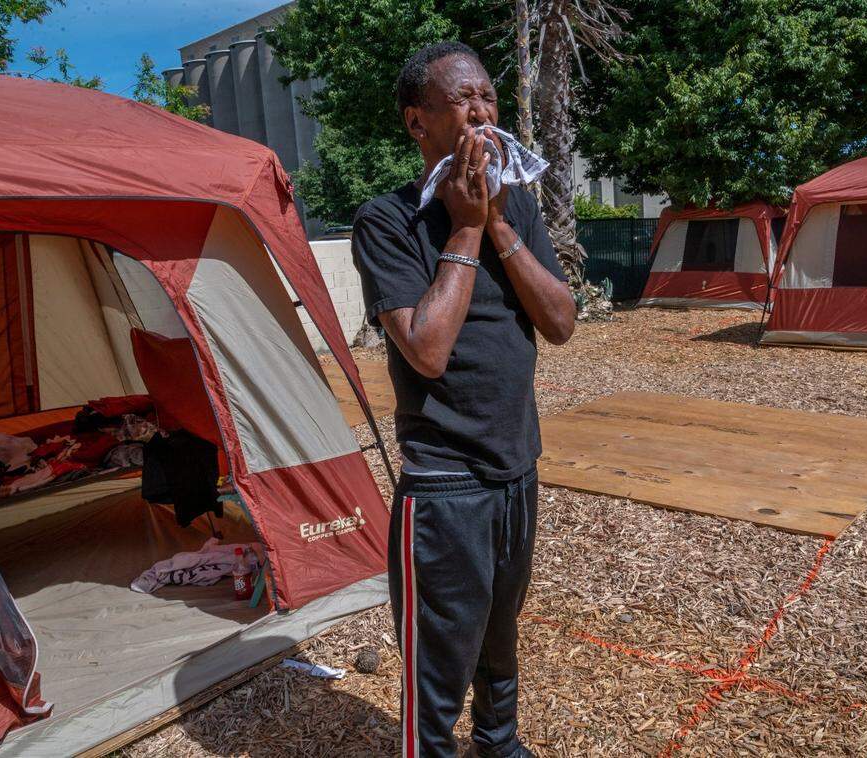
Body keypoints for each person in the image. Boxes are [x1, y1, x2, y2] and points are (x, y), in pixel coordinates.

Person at [351, 40, 576, 758]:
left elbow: (562, 322)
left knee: (500, 631)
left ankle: (499, 743)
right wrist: (468, 226)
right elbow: (426, 349)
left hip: (516, 467)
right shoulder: (387, 222)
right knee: (439, 658)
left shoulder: (518, 209)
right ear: (419, 123)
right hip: (445, 483)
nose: (482, 112)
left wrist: (500, 221)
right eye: (463, 100)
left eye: (488, 97)